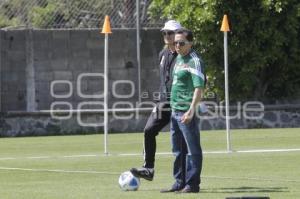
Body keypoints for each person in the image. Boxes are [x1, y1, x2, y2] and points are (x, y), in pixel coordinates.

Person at [130, 20, 182, 181]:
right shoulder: (162, 54)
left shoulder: (183, 55)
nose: (167, 36)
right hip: (163, 101)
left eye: (170, 33)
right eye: (165, 33)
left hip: (180, 102)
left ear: (179, 34)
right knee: (149, 130)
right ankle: (148, 169)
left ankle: (185, 179)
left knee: (181, 142)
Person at [160, 29, 205, 193]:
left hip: (186, 112)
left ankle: (192, 185)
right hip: (175, 111)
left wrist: (191, 110)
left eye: (181, 43)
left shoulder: (195, 60)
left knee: (192, 150)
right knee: (178, 150)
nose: (176, 45)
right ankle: (179, 181)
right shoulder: (178, 58)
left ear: (190, 43)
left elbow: (199, 88)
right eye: (175, 42)